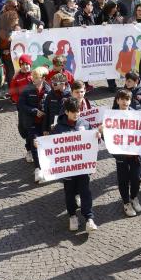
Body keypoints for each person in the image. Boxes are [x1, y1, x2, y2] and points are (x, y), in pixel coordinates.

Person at [50, 98, 97, 231]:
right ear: (66, 112)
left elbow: (93, 145)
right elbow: (51, 147)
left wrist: (97, 137)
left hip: (82, 168)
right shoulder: (58, 128)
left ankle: (89, 218)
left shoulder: (86, 124)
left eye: (78, 111)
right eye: (73, 112)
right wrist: (39, 145)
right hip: (68, 170)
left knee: (85, 192)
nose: (76, 115)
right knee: (69, 193)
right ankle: (72, 216)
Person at [109, 89, 141, 217]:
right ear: (117, 100)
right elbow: (108, 138)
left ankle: (134, 197)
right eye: (122, 99)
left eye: (127, 99)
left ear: (130, 101)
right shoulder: (111, 117)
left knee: (136, 179)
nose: (125, 102)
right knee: (123, 180)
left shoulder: (137, 115)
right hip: (121, 156)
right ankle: (126, 203)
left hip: (135, 155)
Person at [19, 67, 50, 183]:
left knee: (44, 144)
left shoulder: (48, 88)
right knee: (35, 144)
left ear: (43, 78)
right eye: (33, 77)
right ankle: (38, 169)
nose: (33, 79)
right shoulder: (27, 89)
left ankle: (46, 166)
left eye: (36, 78)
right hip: (31, 122)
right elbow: (21, 105)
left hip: (44, 122)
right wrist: (34, 111)